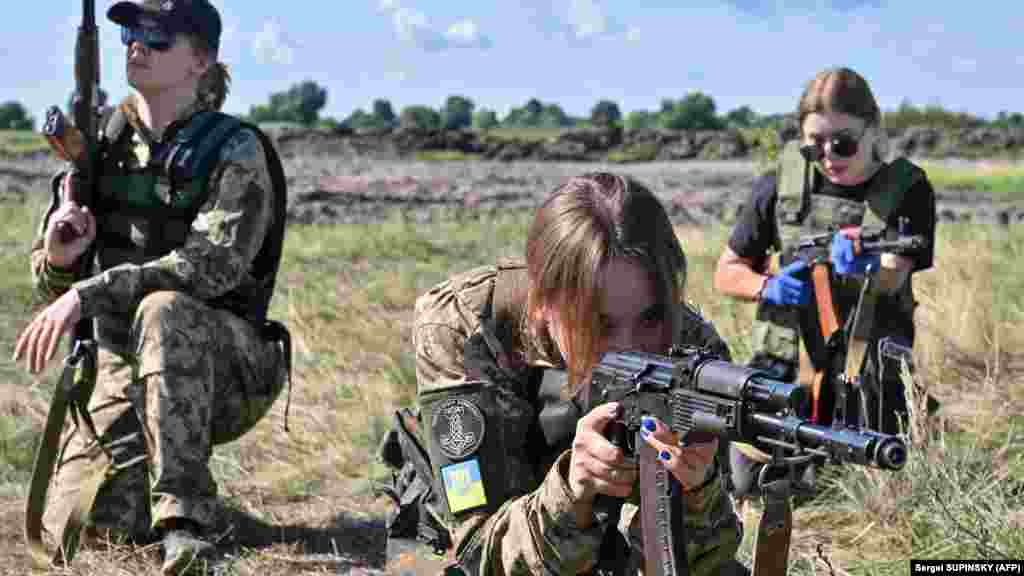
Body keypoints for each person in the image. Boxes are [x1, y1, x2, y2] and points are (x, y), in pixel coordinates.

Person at [12, 1, 288, 574]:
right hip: (123, 361)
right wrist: (62, 257)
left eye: (158, 38)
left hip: (226, 364)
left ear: (201, 60)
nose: (138, 45)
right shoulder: (100, 144)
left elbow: (207, 269)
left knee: (165, 310)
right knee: (81, 529)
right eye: (131, 34)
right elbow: (50, 287)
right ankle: (165, 499)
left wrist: (85, 294)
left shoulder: (235, 149)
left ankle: (186, 525)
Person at [401, 172, 747, 575]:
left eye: (650, 317)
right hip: (462, 532)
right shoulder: (461, 326)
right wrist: (571, 491)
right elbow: (478, 551)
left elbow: (702, 554)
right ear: (541, 304)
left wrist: (694, 496)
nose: (630, 347)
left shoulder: (692, 353)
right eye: (599, 324)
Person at [713, 67, 936, 491]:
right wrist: (768, 285)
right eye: (814, 145)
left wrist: (866, 267)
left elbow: (895, 274)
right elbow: (727, 272)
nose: (829, 156)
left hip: (865, 373)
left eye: (843, 143)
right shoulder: (781, 186)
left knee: (876, 479)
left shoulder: (906, 188)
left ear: (872, 131)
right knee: (749, 483)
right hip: (784, 367)